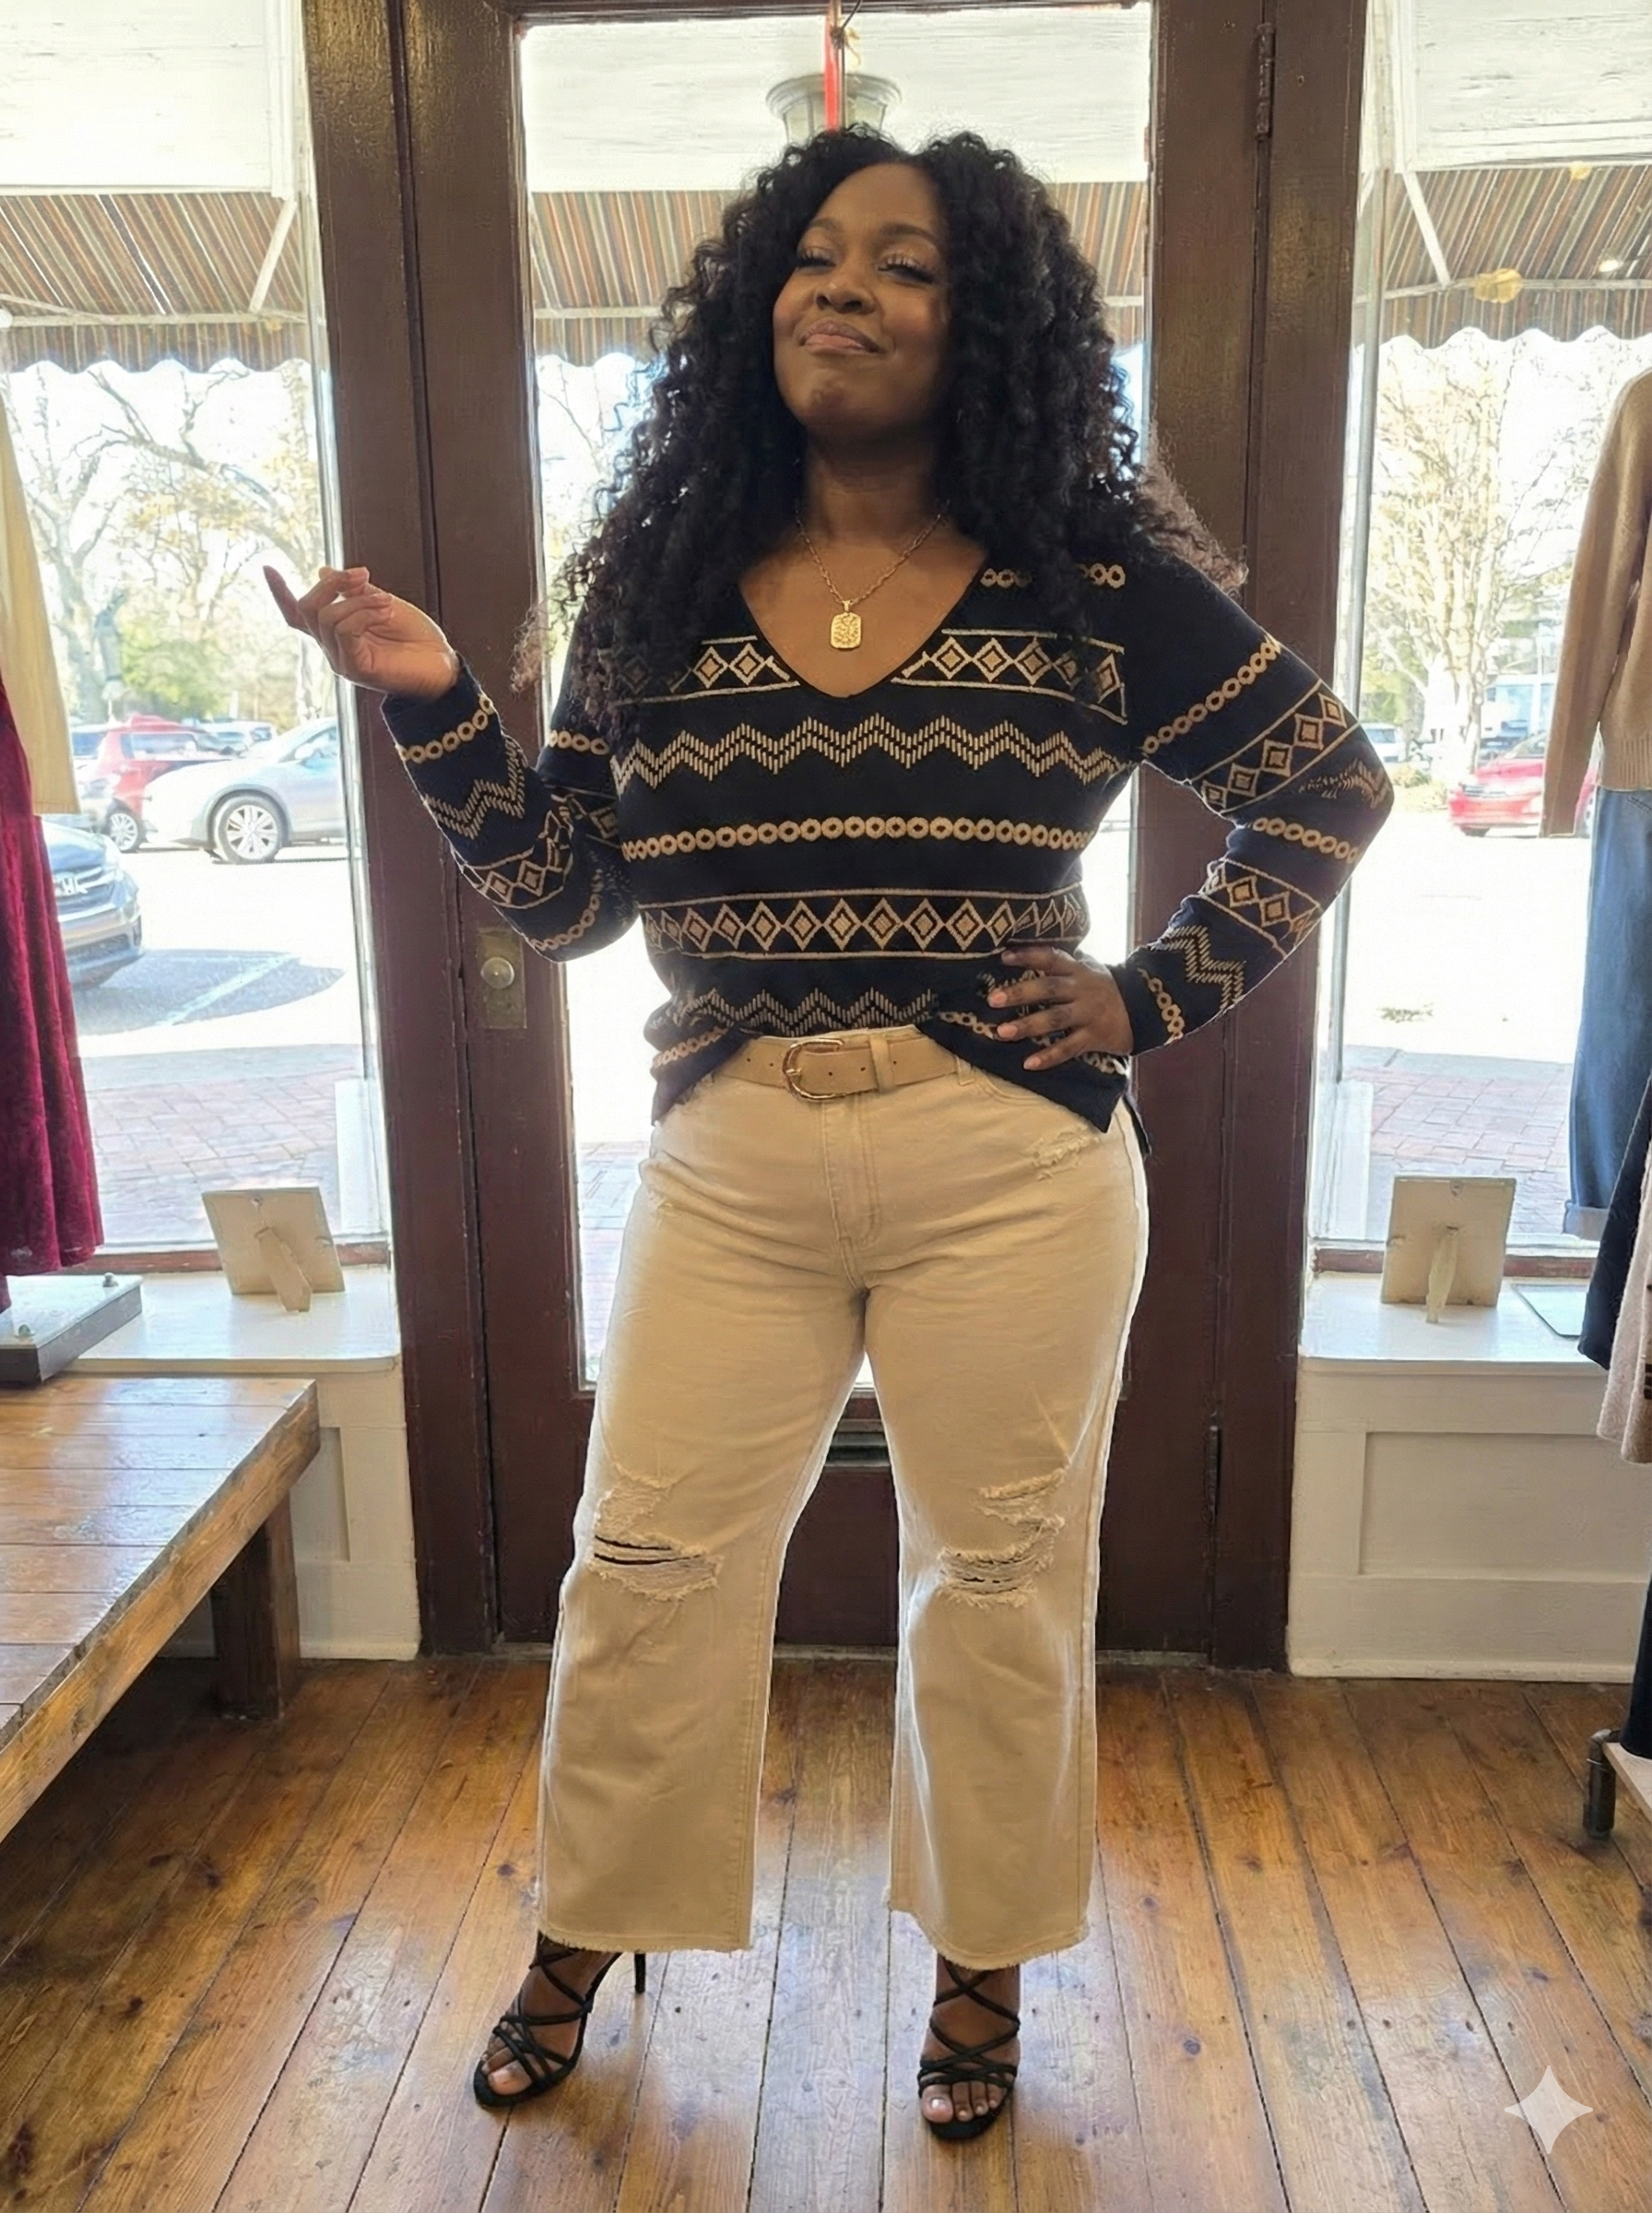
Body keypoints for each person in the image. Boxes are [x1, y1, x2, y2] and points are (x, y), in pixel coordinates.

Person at [270, 127, 1392, 2143]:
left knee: (1000, 1578)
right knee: (644, 1564)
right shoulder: (656, 590)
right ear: (752, 309)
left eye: (904, 263)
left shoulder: (1092, 584)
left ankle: (979, 1969)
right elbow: (565, 901)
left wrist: (1153, 993)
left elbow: (1324, 783)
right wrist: (433, 702)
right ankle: (588, 1930)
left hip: (1011, 1165)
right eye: (809, 256)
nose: (841, 288)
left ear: (991, 328)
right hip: (735, 1157)